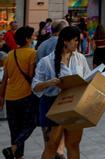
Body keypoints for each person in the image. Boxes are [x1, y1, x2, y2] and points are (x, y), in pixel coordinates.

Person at [32, 27, 88, 159]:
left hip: (75, 105)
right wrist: (49, 83)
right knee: (52, 145)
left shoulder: (80, 58)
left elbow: (87, 77)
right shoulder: (46, 62)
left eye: (78, 41)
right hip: (53, 105)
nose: (77, 44)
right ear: (64, 41)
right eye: (75, 41)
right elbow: (35, 87)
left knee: (73, 145)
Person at [0, 26, 37, 159]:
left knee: (14, 129)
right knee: (30, 123)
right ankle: (14, 148)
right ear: (27, 39)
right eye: (32, 36)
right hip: (25, 96)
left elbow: (4, 79)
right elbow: (32, 75)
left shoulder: (10, 54)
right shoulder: (33, 53)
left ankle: (17, 155)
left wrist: (1, 97)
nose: (33, 38)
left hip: (10, 97)